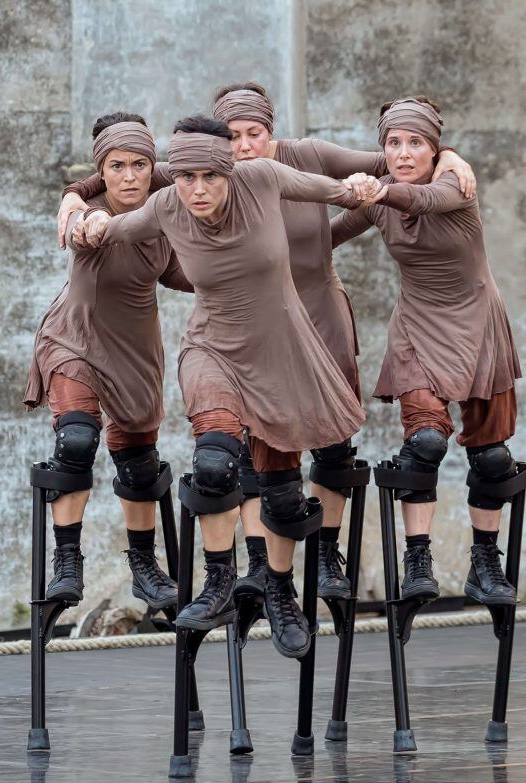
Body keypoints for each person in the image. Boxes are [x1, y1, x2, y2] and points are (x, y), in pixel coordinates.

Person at [57, 83, 476, 604]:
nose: (244, 145)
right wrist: (78, 199)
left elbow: (387, 168)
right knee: (240, 457)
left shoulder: (288, 164)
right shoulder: (191, 183)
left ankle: (321, 559)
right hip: (235, 331)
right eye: (233, 136)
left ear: (269, 132)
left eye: (253, 133)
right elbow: (133, 174)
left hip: (312, 315)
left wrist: (448, 156)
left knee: (327, 447)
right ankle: (247, 572)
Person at [76, 115, 374, 657]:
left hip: (278, 354)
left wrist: (366, 186)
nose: (197, 189)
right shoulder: (166, 206)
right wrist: (79, 211)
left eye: (209, 176)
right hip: (210, 348)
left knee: (282, 494)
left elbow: (340, 192)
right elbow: (110, 223)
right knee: (214, 464)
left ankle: (279, 591)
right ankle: (218, 585)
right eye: (185, 177)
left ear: (229, 171)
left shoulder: (262, 178)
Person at [330, 96, 522, 606]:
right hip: (418, 326)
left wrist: (380, 186)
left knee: (491, 456)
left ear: (435, 150)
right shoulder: (380, 197)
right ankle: (417, 562)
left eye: (416, 143)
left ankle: (485, 562)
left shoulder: (454, 182)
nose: (403, 152)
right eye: (393, 143)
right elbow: (327, 235)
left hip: (480, 323)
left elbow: (423, 201)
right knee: (426, 444)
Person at [24, 113, 193, 611]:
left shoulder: (166, 204)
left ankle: (144, 566)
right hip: (74, 339)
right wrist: (78, 207)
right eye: (116, 166)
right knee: (76, 440)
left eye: (140, 165)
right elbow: (81, 228)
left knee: (139, 464)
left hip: (135, 348)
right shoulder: (86, 213)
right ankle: (67, 562)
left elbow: (177, 270)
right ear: (102, 171)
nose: (129, 176)